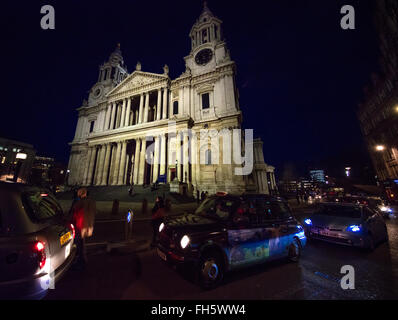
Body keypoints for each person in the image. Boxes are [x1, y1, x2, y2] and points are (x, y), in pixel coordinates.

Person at [71, 188, 96, 270]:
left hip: (80, 226)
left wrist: (76, 201)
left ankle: (81, 261)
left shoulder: (80, 202)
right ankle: (83, 259)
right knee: (82, 243)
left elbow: (74, 210)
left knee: (79, 244)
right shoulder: (92, 201)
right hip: (88, 226)